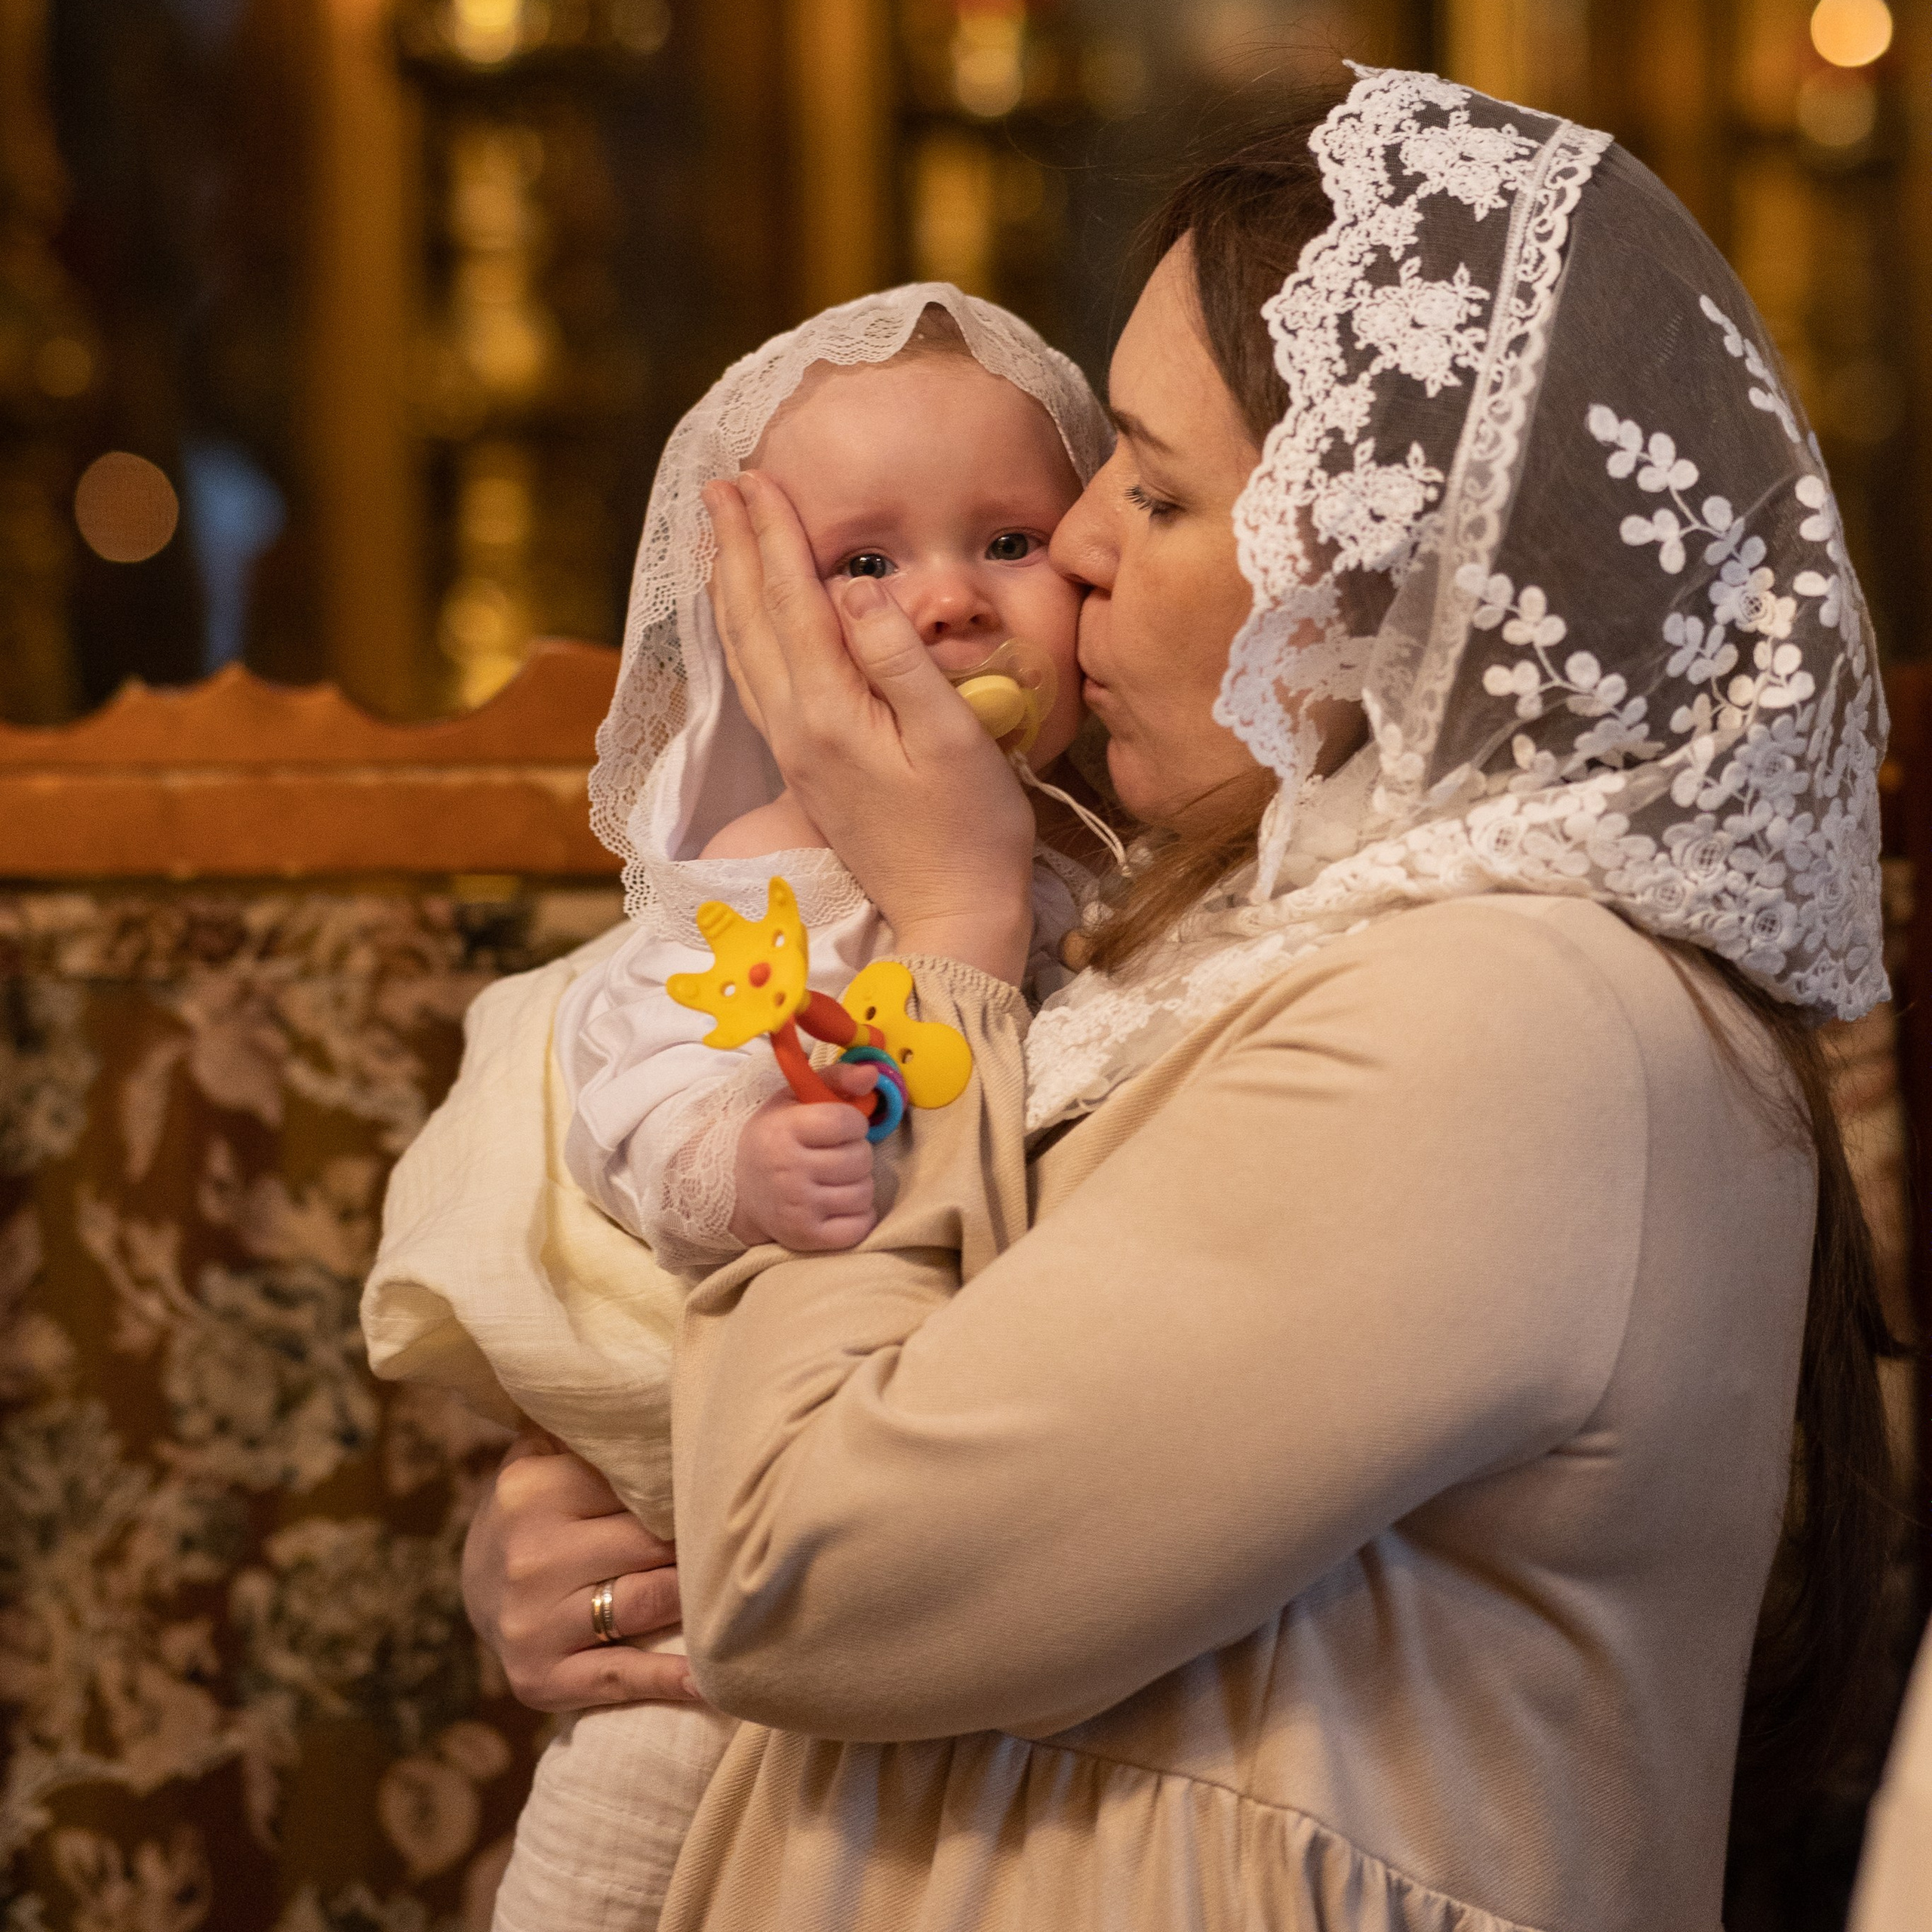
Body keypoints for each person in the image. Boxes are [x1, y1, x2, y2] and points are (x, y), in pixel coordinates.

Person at [458, 67, 1897, 1932]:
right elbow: (855, 1435)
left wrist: (935, 929)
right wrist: (585, 1543)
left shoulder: (1498, 1021)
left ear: (1391, 560)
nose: (1064, 554)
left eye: (1148, 486)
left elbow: (813, 1571)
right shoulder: (1231, 941)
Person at [362, 285, 1113, 1932]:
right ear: (745, 620)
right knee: (624, 1827)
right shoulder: (753, 889)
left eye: (1009, 541)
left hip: (991, 1567)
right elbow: (638, 1093)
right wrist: (739, 1161)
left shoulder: (1112, 875)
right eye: (862, 562)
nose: (947, 605)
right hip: (728, 1519)